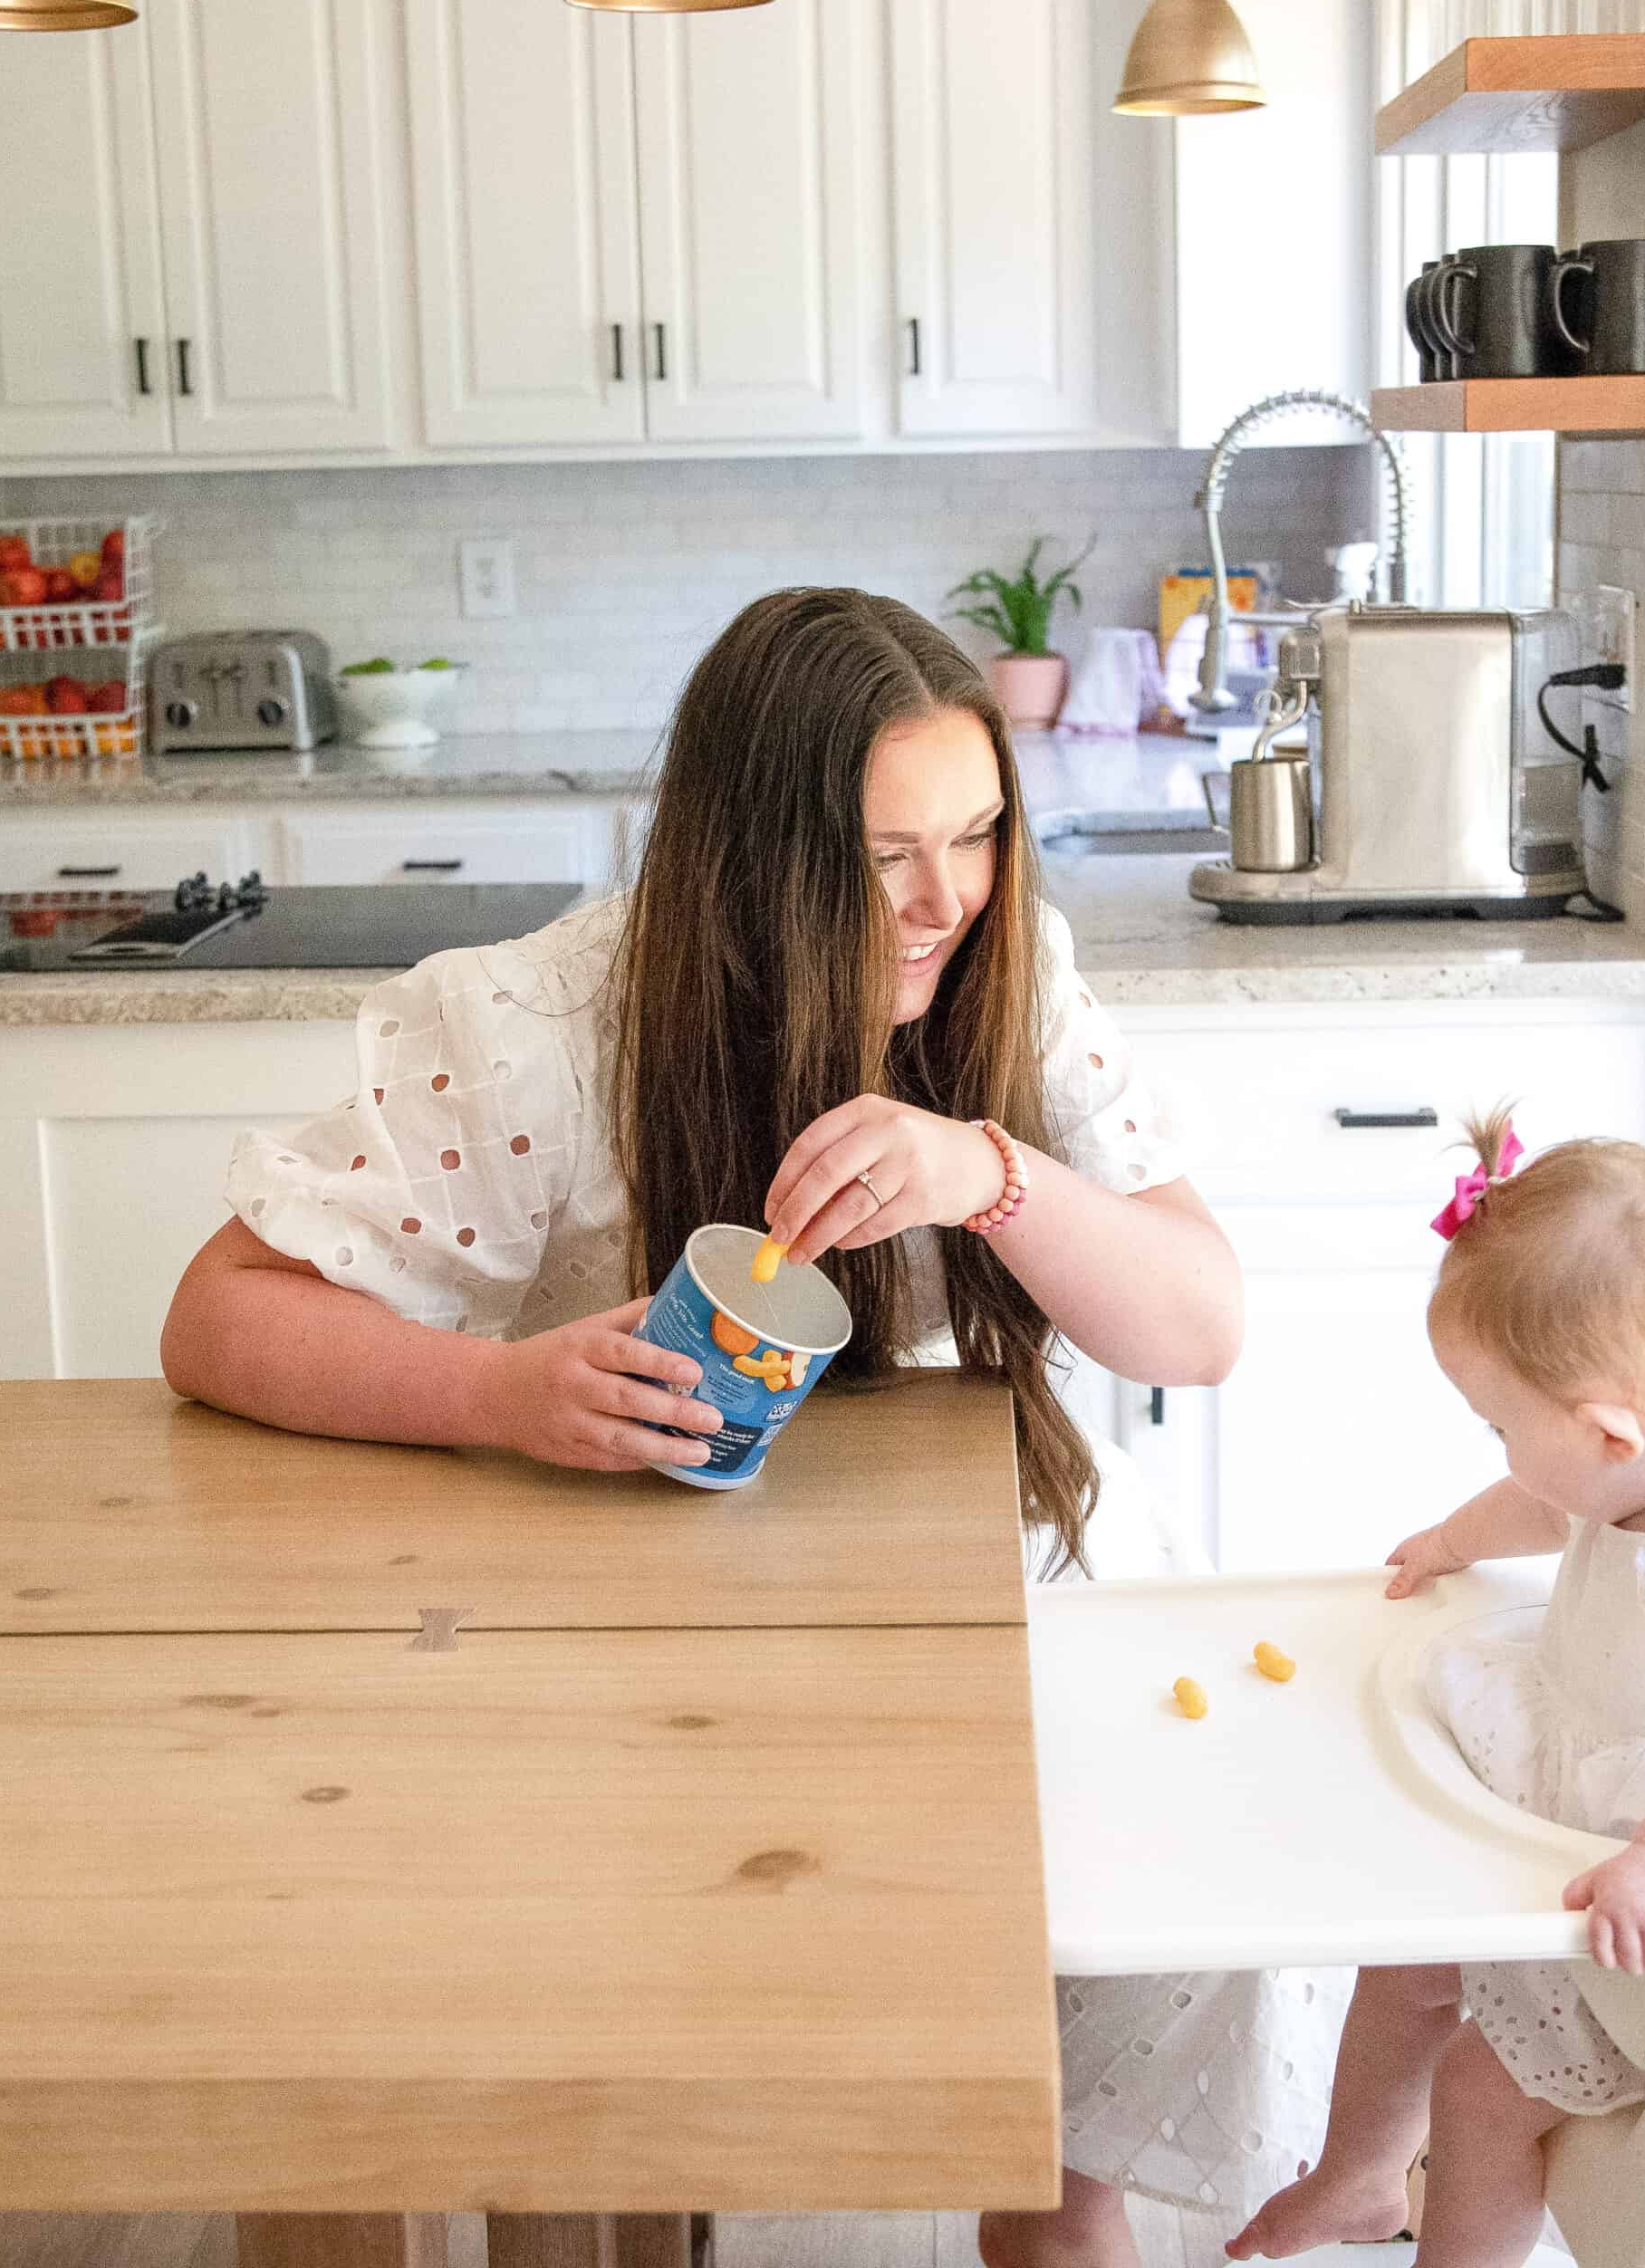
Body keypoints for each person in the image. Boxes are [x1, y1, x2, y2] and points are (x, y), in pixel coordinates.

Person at [168, 588, 1348, 2263]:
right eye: (884, 858)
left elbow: (1199, 1322)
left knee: (1104, 1954)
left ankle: (1061, 2213)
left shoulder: (1010, 971)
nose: (945, 900)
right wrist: (498, 1393)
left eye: (978, 835)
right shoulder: (533, 1026)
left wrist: (987, 1175)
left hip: (982, 1569)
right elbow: (216, 1315)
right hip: (631, 1603)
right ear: (746, 859)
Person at [1227, 1113, 1645, 2268]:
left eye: (1497, 1426)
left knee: (1481, 2091)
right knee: (1406, 1944)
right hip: (1559, 1811)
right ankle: (1354, 2179)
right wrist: (1450, 1537)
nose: (1495, 1449)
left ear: (1601, 1430)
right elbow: (1544, 1507)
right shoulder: (1628, 1473)